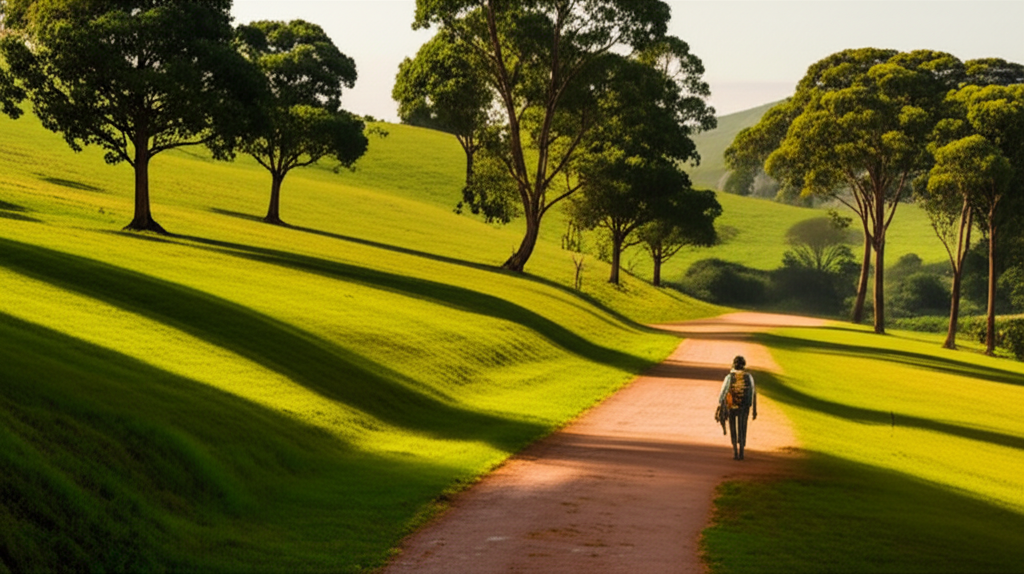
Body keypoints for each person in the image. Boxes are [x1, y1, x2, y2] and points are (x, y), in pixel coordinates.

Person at [718, 355, 757, 460]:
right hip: (744, 406)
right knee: (743, 427)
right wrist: (754, 409)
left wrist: (720, 405)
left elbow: (723, 392)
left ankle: (735, 449)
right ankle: (742, 449)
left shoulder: (729, 377)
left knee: (733, 427)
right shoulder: (748, 377)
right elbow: (753, 392)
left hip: (732, 406)